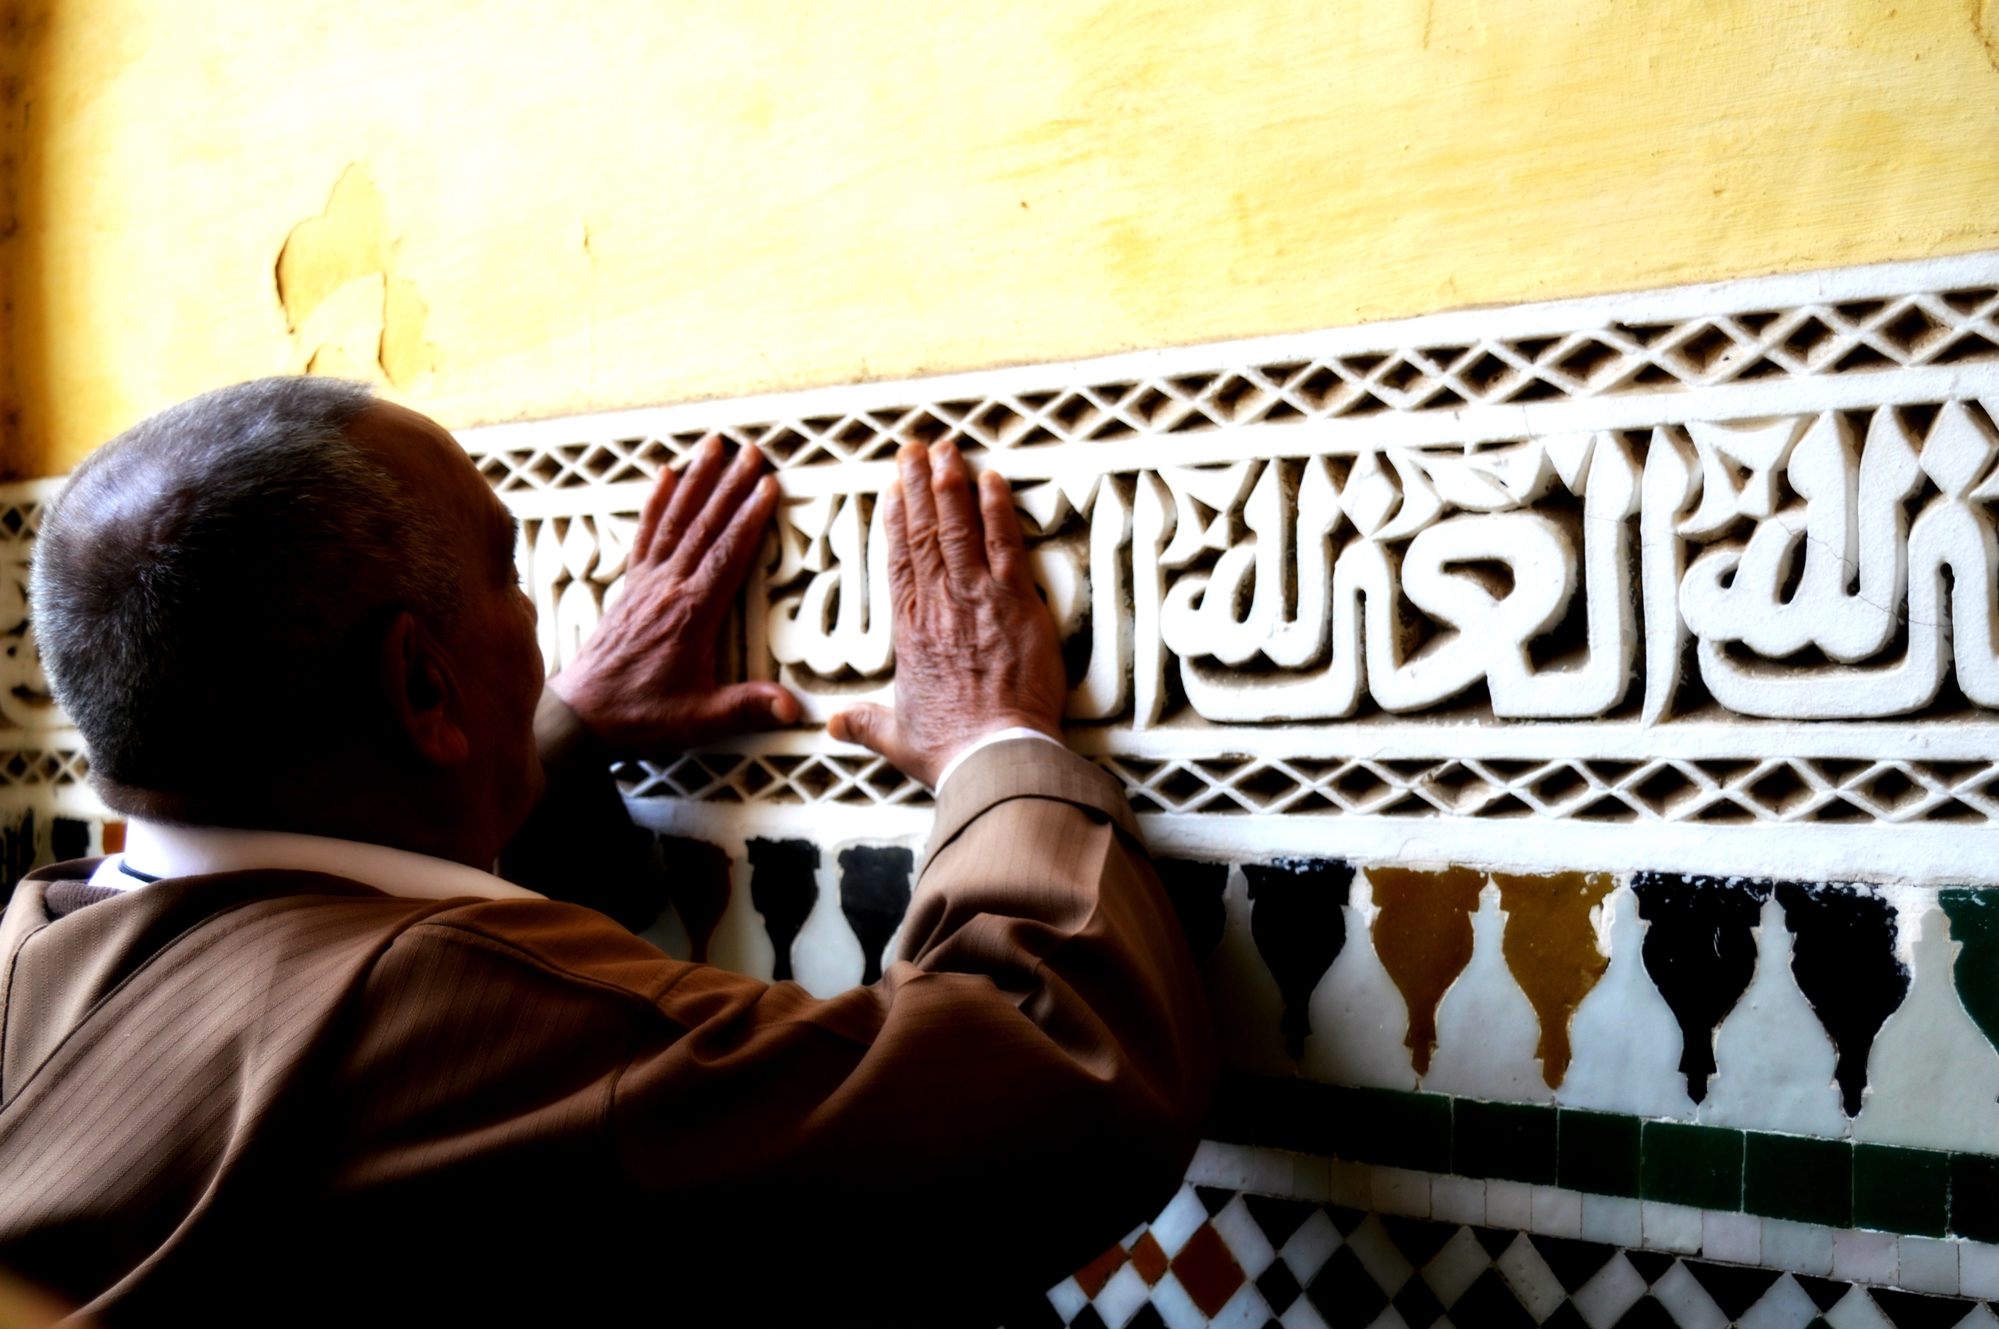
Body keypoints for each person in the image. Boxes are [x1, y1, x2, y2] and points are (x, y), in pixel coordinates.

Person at [0, 377, 1216, 1326]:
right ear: (423, 684)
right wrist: (997, 740)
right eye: (509, 580)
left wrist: (533, 740)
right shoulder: (448, 1003)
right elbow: (1059, 1088)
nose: (537, 625)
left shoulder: (37, 937)